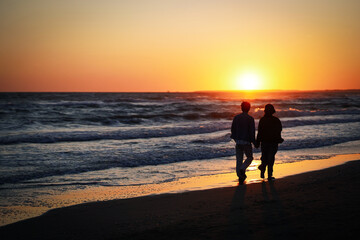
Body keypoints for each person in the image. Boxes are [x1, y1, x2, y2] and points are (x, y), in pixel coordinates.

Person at [255, 104, 283, 180]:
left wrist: (257, 142)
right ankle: (269, 174)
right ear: (273, 111)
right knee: (271, 158)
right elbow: (279, 131)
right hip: (273, 142)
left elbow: (259, 132)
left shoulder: (262, 120)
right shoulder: (276, 120)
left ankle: (262, 169)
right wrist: (279, 138)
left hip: (264, 142)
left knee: (264, 157)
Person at [230, 101, 255, 181]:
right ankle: (242, 169)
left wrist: (235, 138)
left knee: (239, 159)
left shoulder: (236, 118)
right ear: (249, 108)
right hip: (246, 141)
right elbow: (252, 132)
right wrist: (254, 141)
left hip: (238, 141)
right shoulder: (250, 119)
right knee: (250, 157)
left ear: (241, 108)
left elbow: (232, 130)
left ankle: (240, 176)